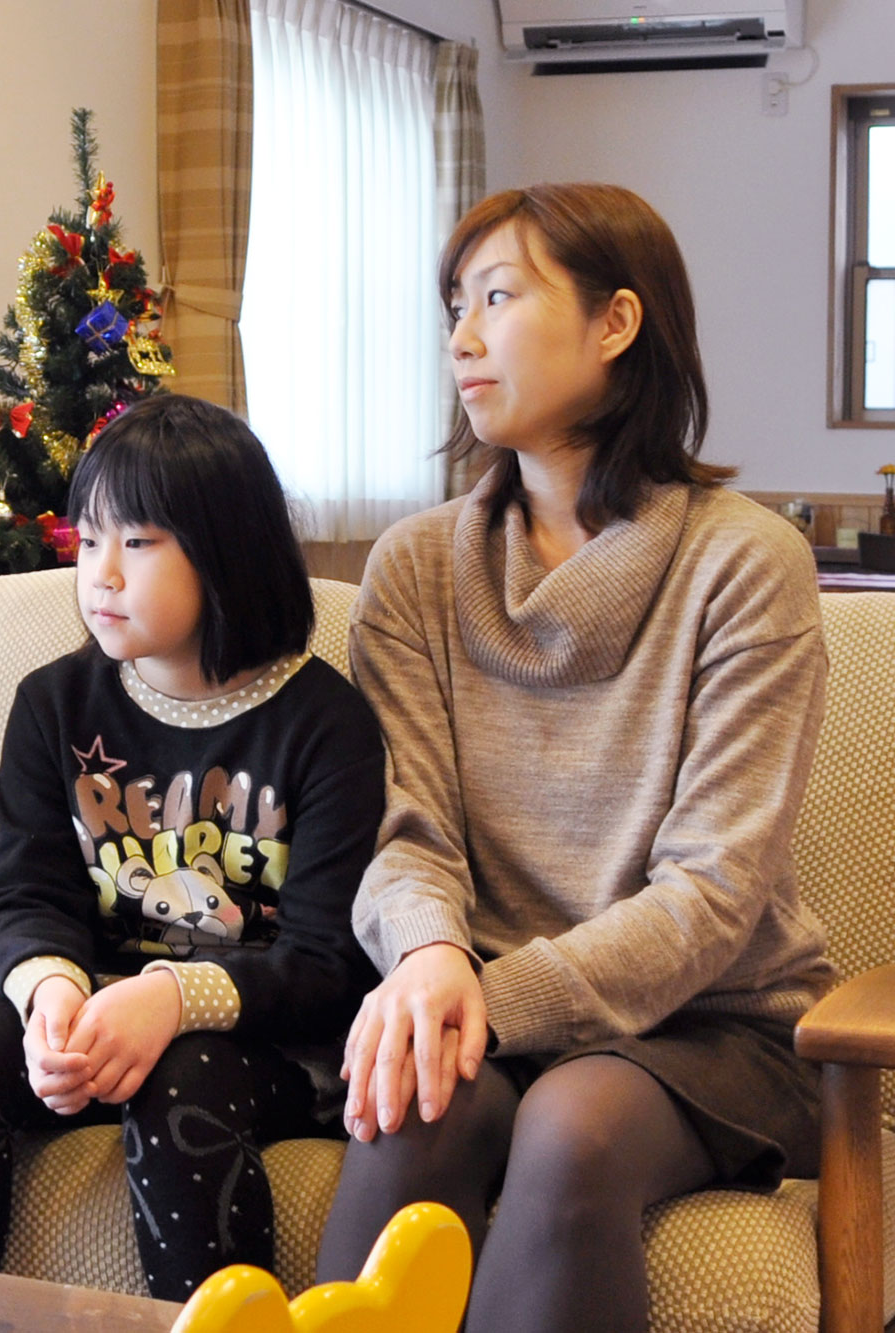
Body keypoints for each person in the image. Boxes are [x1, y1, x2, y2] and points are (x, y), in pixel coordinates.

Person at [315, 183, 833, 1332]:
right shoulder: (412, 567)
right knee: (408, 1115)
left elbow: (710, 893)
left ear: (615, 322)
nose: (461, 337)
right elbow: (403, 831)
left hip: (713, 1026)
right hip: (470, 995)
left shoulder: (743, 564)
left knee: (571, 1125)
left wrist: (481, 1001)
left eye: (497, 298)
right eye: (454, 306)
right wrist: (428, 959)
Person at [0, 394, 385, 1300]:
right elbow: (22, 894)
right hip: (93, 1011)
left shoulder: (325, 723)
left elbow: (328, 961)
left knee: (183, 1081)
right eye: (89, 538)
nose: (100, 573)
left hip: (264, 1037)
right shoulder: (54, 704)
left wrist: (171, 998)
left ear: (228, 550)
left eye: (139, 541)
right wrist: (50, 993)